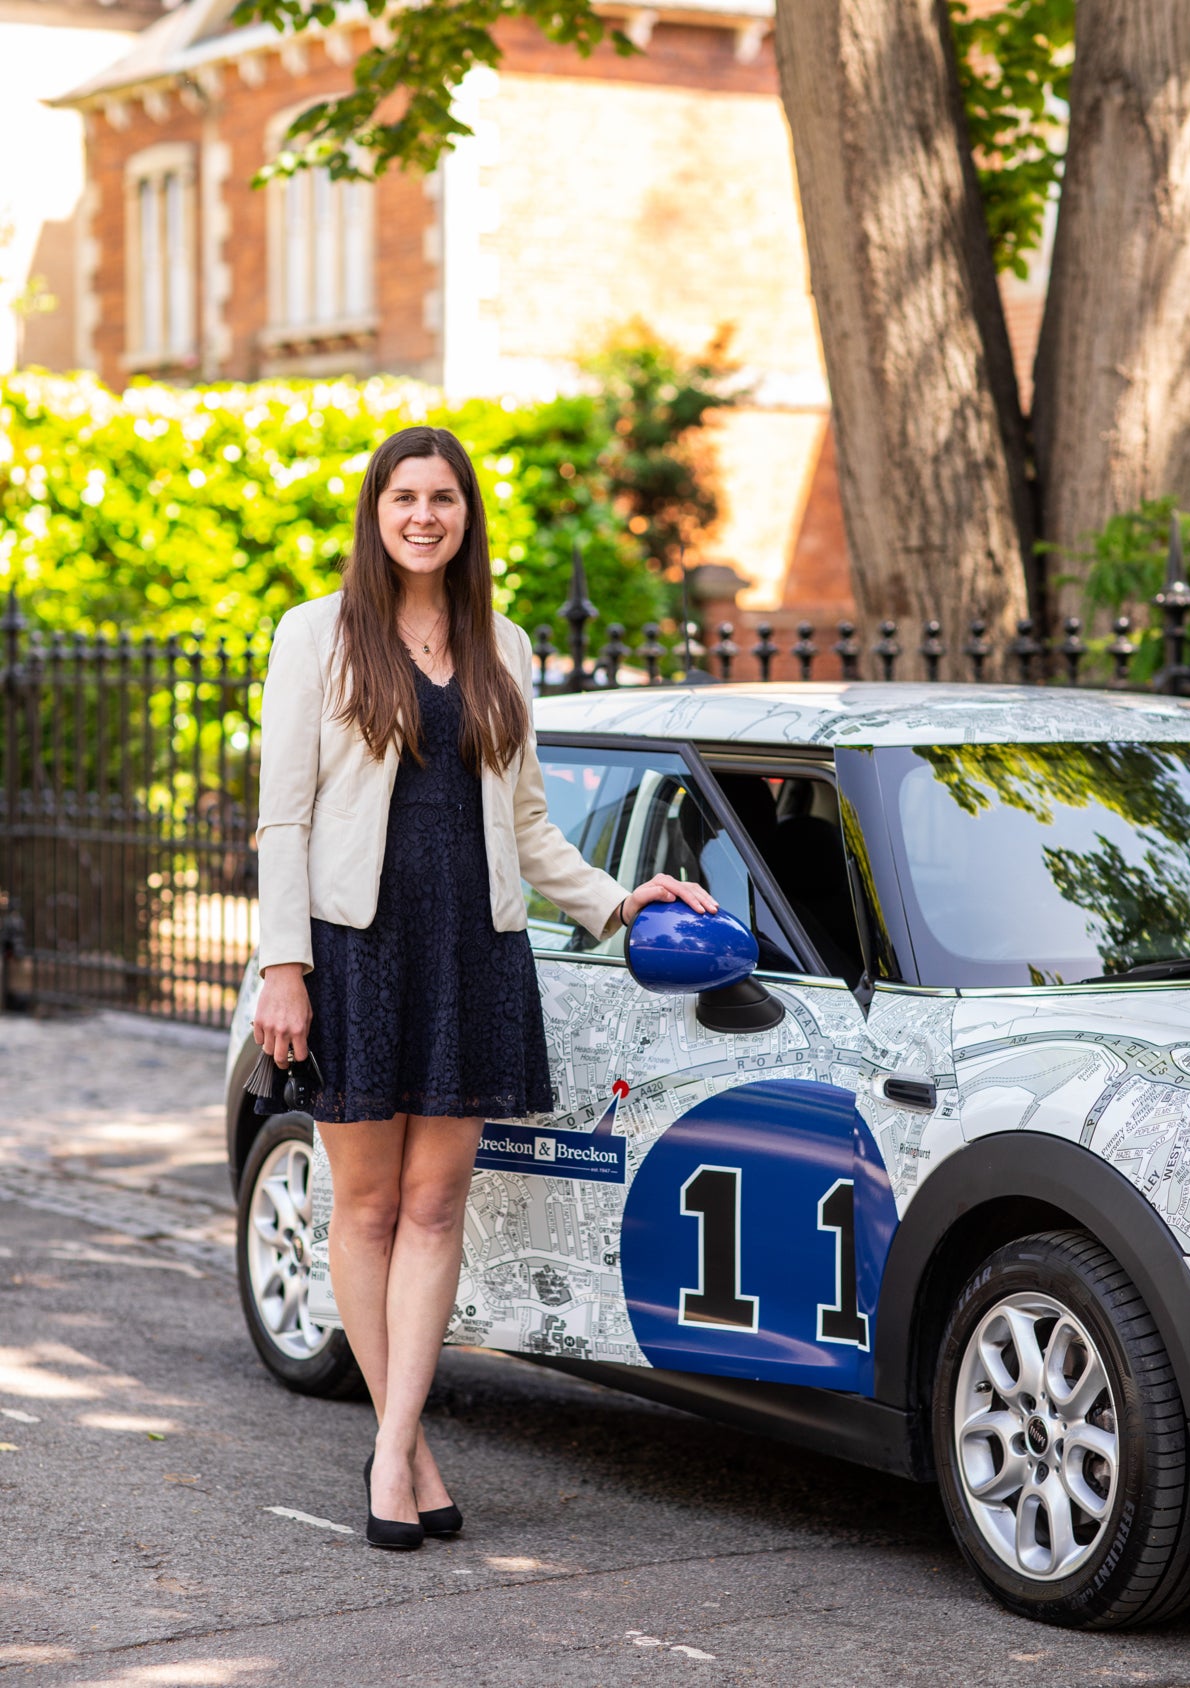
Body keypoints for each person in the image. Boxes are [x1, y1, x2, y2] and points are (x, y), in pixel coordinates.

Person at [252, 425, 715, 1549]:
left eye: (443, 498)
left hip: (472, 952)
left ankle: (393, 1444)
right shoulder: (316, 635)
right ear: (376, 511)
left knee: (436, 1203)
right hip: (357, 946)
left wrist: (621, 900)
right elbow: (284, 818)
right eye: (404, 496)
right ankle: (400, 1450)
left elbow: (530, 827)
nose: (423, 515)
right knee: (362, 1205)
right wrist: (283, 965)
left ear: (466, 516)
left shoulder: (500, 639)